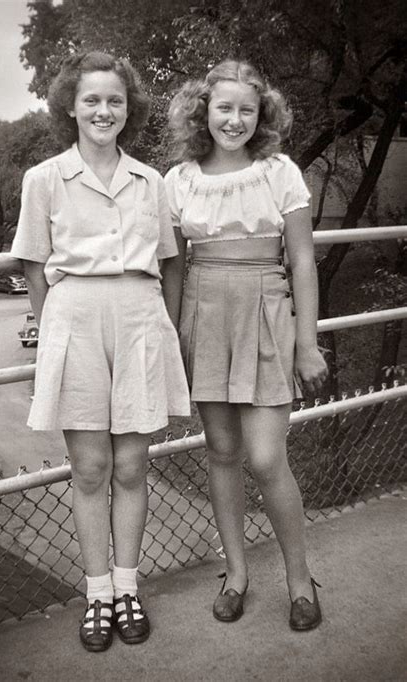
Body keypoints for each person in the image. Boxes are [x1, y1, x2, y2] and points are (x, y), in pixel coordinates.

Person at [11, 51, 190, 653]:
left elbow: (170, 262)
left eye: (115, 100)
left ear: (129, 108)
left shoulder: (151, 180)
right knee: (90, 470)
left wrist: (161, 323)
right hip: (75, 322)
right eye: (92, 99)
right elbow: (35, 267)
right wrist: (57, 334)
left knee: (134, 467)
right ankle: (96, 597)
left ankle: (128, 588)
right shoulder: (44, 179)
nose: (103, 110)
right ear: (70, 105)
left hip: (139, 319)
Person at [164, 59, 328, 630]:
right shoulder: (179, 179)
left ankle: (300, 579)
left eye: (246, 110)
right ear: (203, 111)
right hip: (204, 314)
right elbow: (174, 270)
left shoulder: (279, 171)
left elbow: (303, 260)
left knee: (264, 456)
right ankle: (235, 574)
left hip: (265, 307)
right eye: (224, 108)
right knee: (222, 453)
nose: (234, 120)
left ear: (262, 116)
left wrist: (307, 342)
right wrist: (171, 339)